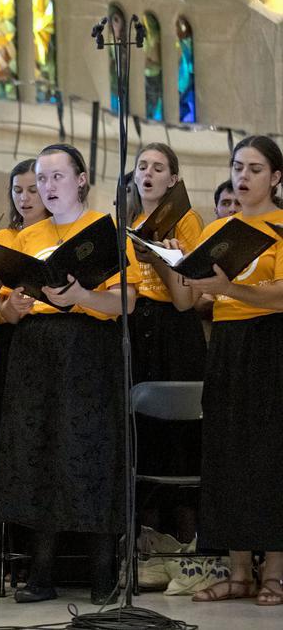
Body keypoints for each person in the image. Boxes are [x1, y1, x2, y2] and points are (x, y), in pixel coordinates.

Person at [0, 143, 141, 605]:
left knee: (88, 453)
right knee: (39, 453)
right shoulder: (24, 238)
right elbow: (3, 307)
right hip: (35, 352)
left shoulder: (105, 228)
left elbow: (126, 302)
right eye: (42, 178)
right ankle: (40, 573)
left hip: (88, 350)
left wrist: (80, 295)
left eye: (57, 176)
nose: (48, 186)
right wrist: (12, 307)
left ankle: (102, 571)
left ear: (81, 179)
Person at [164, 135, 283, 606]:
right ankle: (237, 572)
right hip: (228, 347)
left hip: (272, 342)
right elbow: (187, 300)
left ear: (275, 178)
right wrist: (171, 262)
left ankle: (274, 571)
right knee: (227, 454)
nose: (243, 176)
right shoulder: (219, 230)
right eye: (238, 167)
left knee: (270, 455)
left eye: (255, 169)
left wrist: (232, 289)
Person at [125, 143, 206, 543]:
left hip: (175, 330)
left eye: (158, 168)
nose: (148, 173)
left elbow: (184, 299)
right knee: (143, 434)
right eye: (142, 166)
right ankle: (147, 540)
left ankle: (189, 539)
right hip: (134, 328)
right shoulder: (124, 221)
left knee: (179, 435)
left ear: (173, 180)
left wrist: (156, 255)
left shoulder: (187, 221)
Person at [0, 158, 46, 452]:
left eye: (32, 190)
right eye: (17, 190)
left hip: (43, 336)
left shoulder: (59, 235)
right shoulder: (4, 237)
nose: (24, 198)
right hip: (7, 339)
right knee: (5, 424)